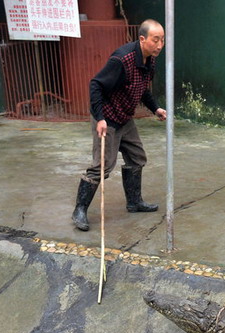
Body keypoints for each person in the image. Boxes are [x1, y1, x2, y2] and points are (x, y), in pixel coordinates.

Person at [71, 19, 167, 232]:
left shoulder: (150, 59)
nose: (160, 45)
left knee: (137, 157)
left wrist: (156, 108)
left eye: (162, 40)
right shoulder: (122, 59)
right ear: (142, 39)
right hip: (107, 117)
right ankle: (79, 210)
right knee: (102, 167)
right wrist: (100, 118)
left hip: (125, 118)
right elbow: (95, 85)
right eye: (155, 40)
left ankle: (134, 202)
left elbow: (142, 89)